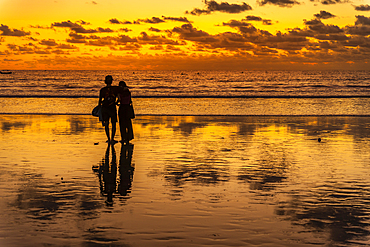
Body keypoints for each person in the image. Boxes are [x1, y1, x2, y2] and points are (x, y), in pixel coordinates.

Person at [99, 75, 118, 144]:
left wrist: (99, 107)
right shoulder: (115, 89)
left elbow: (100, 100)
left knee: (106, 123)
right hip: (112, 107)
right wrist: (117, 102)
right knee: (113, 124)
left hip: (105, 107)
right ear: (112, 81)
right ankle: (112, 139)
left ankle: (108, 139)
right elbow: (118, 97)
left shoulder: (102, 90)